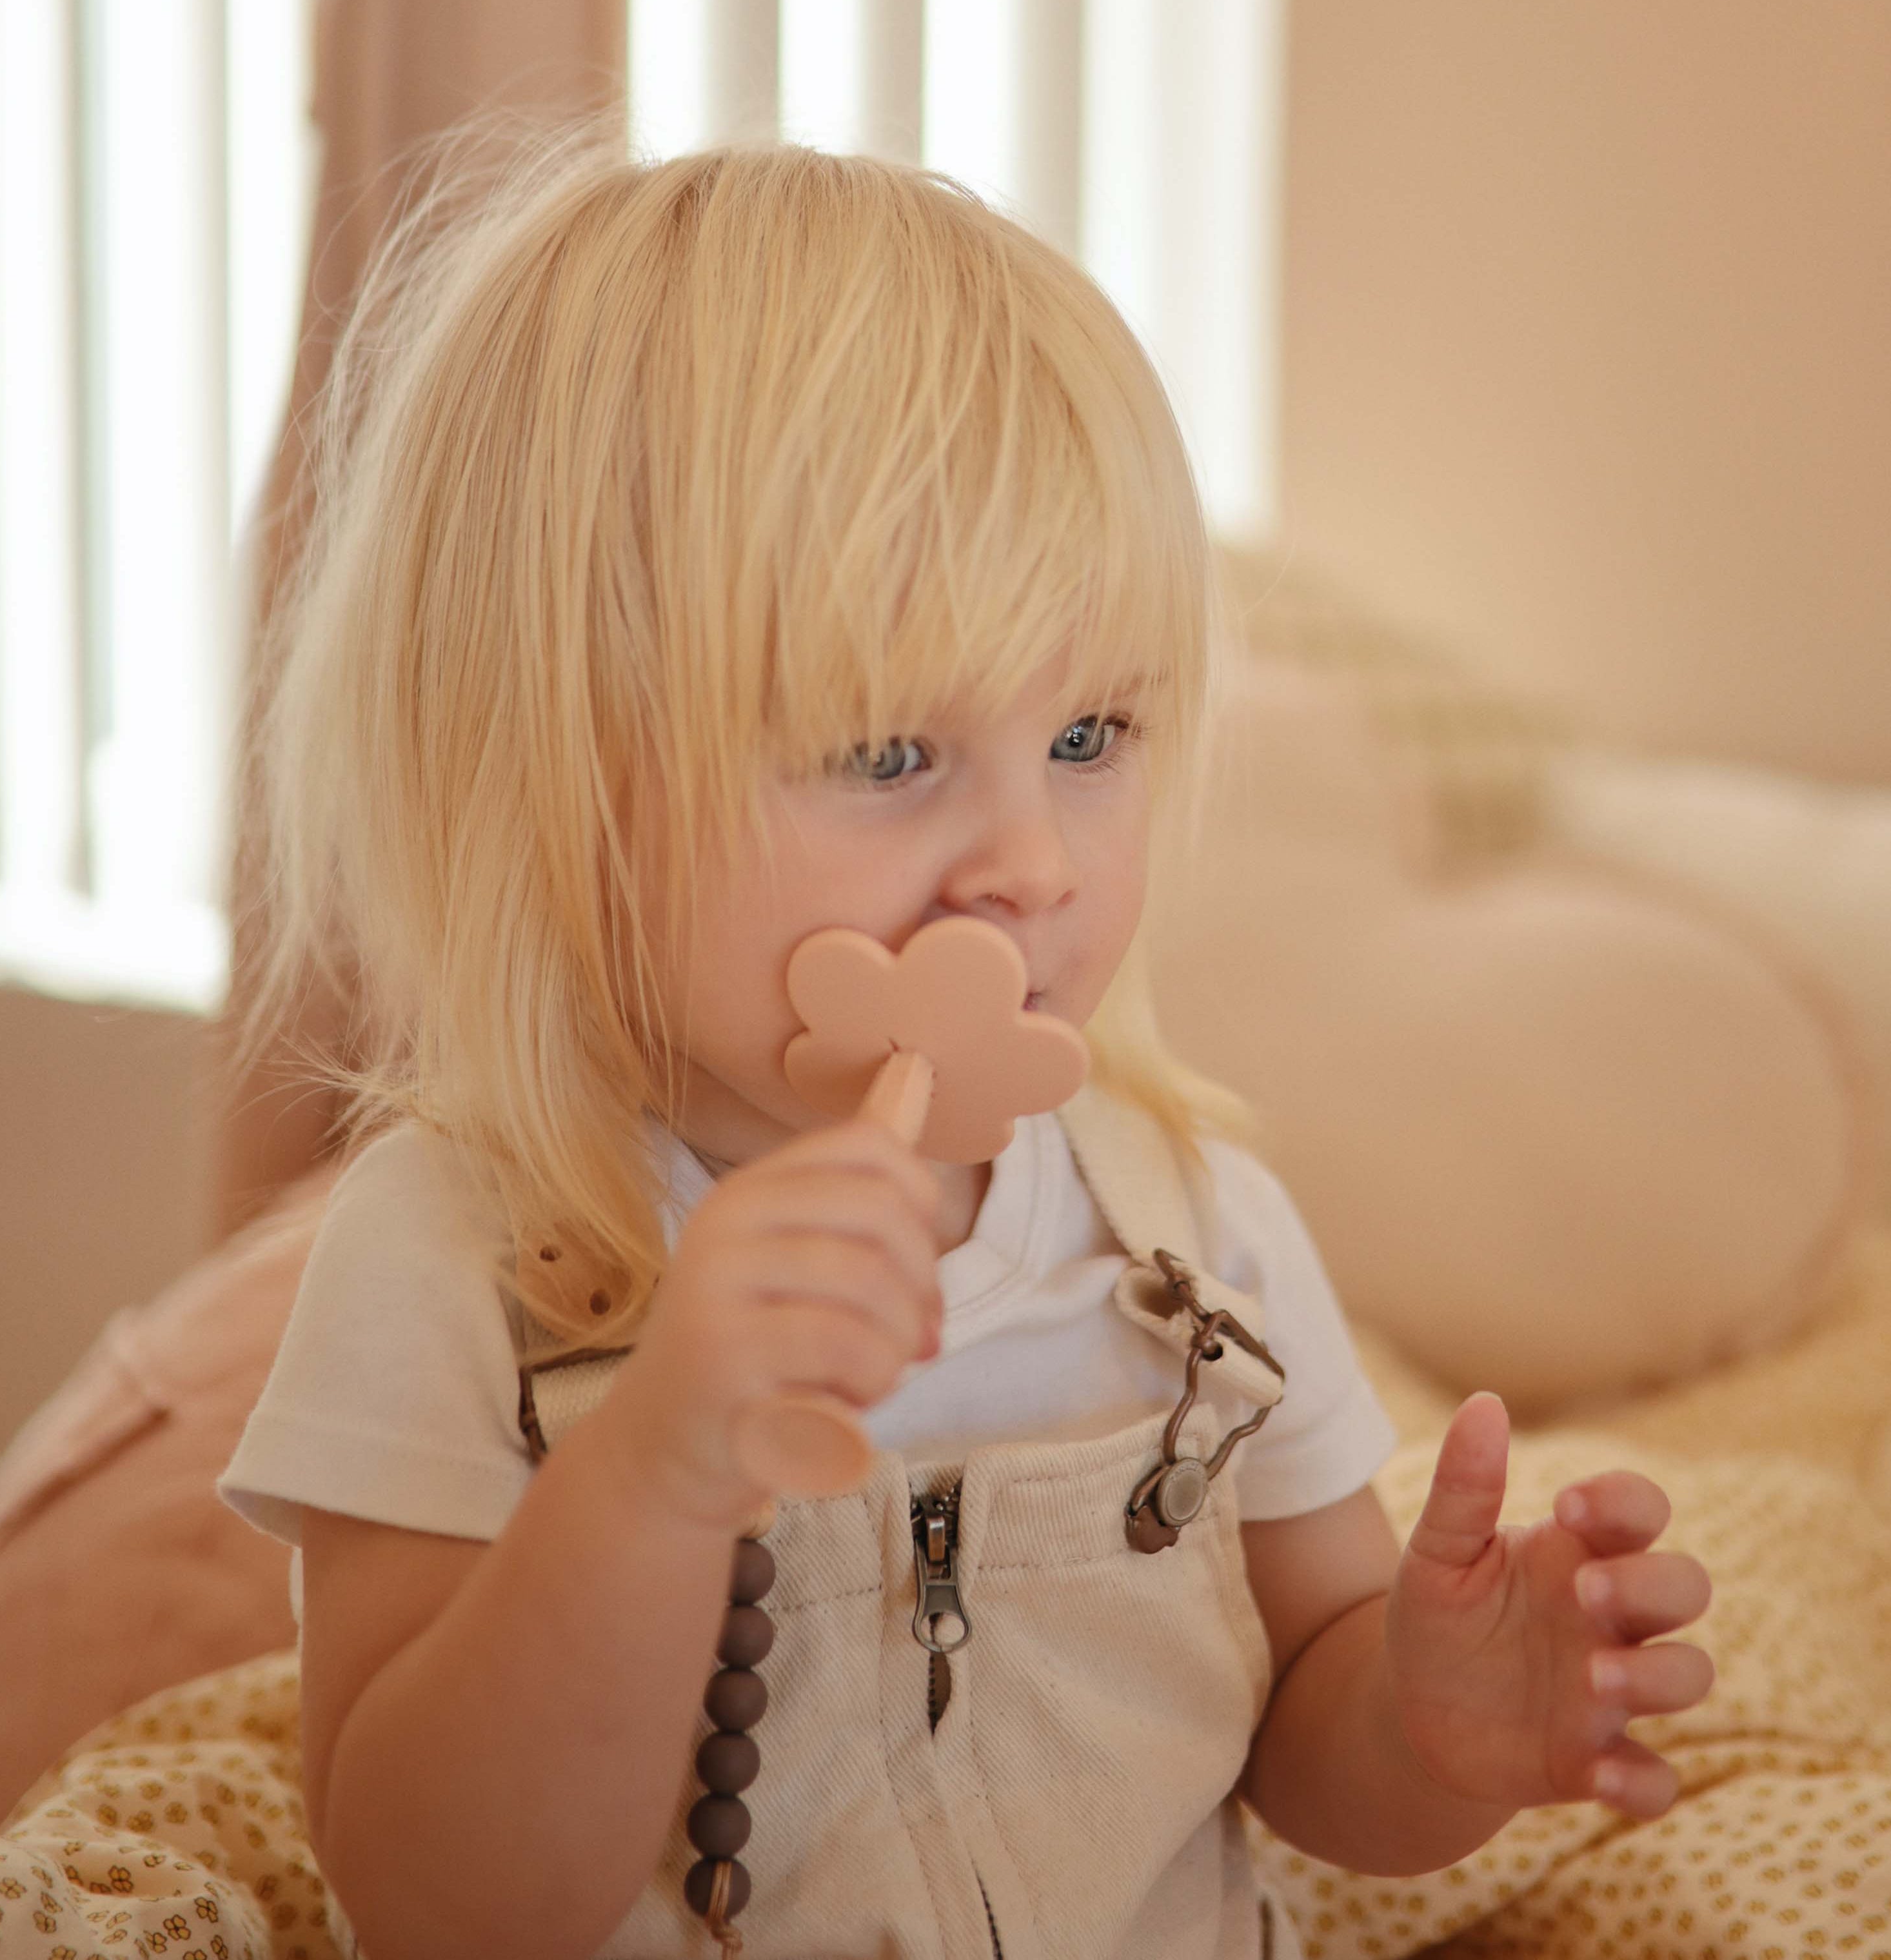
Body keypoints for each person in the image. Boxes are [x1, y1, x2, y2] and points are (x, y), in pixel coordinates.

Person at [219, 136, 1713, 1960]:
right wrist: (655, 1470)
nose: (1030, 859)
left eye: (1089, 734)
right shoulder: (454, 1262)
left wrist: (1429, 1716)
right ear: (557, 796)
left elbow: (1304, 1738)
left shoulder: (1191, 1238)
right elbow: (445, 1900)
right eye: (888, 754)